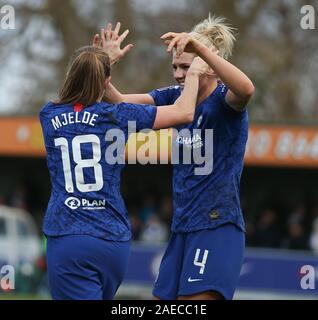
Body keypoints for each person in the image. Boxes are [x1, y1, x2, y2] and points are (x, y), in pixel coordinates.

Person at [39, 25, 208, 300]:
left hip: (67, 236)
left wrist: (101, 63)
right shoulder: (117, 114)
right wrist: (196, 72)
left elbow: (79, 94)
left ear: (72, 75)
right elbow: (184, 111)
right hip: (112, 242)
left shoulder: (48, 115)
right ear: (107, 81)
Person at [101, 15, 255, 300]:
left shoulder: (225, 100)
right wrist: (104, 63)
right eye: (175, 67)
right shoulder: (174, 97)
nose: (179, 74)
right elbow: (118, 100)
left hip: (215, 226)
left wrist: (202, 52)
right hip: (182, 227)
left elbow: (246, 89)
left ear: (206, 65)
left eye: (185, 66)